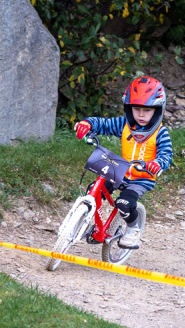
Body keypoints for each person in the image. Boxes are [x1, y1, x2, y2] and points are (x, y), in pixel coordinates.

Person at [73, 76, 173, 248]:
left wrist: (157, 164)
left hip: (142, 178)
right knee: (93, 190)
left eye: (147, 110)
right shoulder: (124, 124)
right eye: (136, 109)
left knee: (124, 204)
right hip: (121, 170)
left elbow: (166, 154)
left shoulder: (160, 133)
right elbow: (103, 124)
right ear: (129, 108)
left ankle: (133, 229)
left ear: (158, 111)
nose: (141, 115)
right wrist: (87, 124)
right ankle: (93, 223)